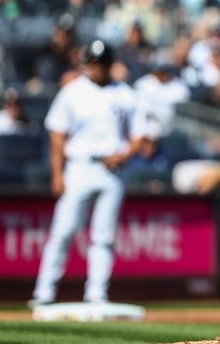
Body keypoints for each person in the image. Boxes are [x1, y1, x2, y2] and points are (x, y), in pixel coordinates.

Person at [30, 40, 145, 306]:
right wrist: (57, 174)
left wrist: (125, 154)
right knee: (63, 229)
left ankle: (96, 293)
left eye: (101, 63)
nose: (96, 68)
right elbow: (57, 135)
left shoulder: (125, 94)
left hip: (112, 170)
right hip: (80, 166)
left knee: (104, 236)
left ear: (109, 64)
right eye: (92, 62)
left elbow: (139, 135)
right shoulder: (73, 92)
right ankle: (44, 292)